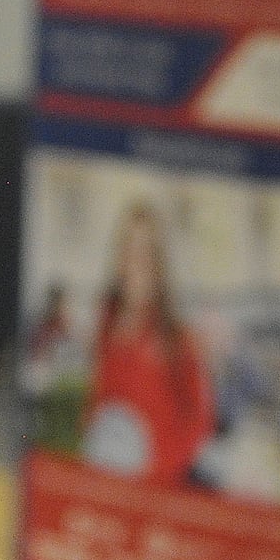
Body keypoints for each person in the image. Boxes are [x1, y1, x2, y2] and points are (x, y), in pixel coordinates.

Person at [83, 199, 215, 487]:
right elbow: (97, 399)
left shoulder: (175, 335)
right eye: (127, 247)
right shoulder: (106, 323)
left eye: (144, 250)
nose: (134, 260)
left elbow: (200, 422)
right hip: (108, 484)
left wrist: (153, 464)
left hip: (157, 492)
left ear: (158, 262)